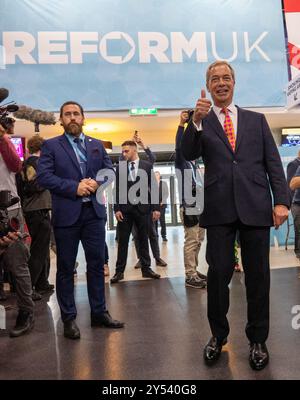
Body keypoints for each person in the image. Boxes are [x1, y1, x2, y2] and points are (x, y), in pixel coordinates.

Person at [181, 61, 289, 370]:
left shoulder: (256, 120)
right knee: (218, 276)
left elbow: (273, 164)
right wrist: (196, 122)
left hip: (255, 206)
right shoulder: (201, 121)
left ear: (234, 82)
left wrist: (280, 201)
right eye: (214, 79)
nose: (221, 82)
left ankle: (258, 339)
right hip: (219, 210)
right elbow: (187, 153)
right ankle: (218, 335)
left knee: (258, 277)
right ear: (208, 85)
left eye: (226, 77)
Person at [37, 101, 124, 339]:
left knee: (96, 265)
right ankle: (68, 318)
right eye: (67, 114)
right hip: (67, 215)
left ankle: (99, 313)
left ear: (83, 118)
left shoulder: (96, 145)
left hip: (94, 215)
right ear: (61, 120)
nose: (72, 118)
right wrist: (74, 187)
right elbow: (44, 177)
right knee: (66, 268)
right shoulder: (51, 146)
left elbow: (110, 171)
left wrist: (97, 182)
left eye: (76, 114)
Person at [0, 122, 35, 337]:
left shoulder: (5, 142)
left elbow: (16, 165)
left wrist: (3, 138)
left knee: (17, 264)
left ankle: (26, 311)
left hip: (9, 210)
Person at [111, 140, 161, 283]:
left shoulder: (147, 166)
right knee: (123, 241)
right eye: (123, 151)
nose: (123, 153)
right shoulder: (120, 167)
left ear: (134, 150)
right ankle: (119, 272)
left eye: (126, 151)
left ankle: (146, 269)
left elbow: (153, 187)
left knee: (143, 239)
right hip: (125, 211)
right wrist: (117, 209)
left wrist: (156, 208)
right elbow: (117, 190)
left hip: (143, 209)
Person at [175, 111, 207, 289]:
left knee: (199, 240)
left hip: (200, 206)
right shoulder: (182, 162)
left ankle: (194, 269)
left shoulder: (196, 166)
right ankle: (190, 274)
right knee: (191, 240)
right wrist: (182, 125)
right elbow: (179, 146)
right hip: (189, 207)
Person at [21, 135, 53, 298]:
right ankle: (31, 287)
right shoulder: (35, 163)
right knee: (38, 251)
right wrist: (50, 180)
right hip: (36, 210)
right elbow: (32, 185)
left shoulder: (30, 163)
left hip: (37, 210)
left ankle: (42, 283)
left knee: (42, 249)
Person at [287, 151, 300, 259]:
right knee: (298, 228)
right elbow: (291, 185)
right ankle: (298, 251)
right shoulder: (294, 164)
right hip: (296, 202)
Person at [154, 171, 169, 242]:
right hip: (154, 206)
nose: (156, 176)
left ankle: (164, 236)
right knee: (154, 221)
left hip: (162, 205)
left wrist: (163, 200)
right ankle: (155, 235)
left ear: (159, 176)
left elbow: (166, 193)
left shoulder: (164, 183)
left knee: (162, 221)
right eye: (155, 175)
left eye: (157, 175)